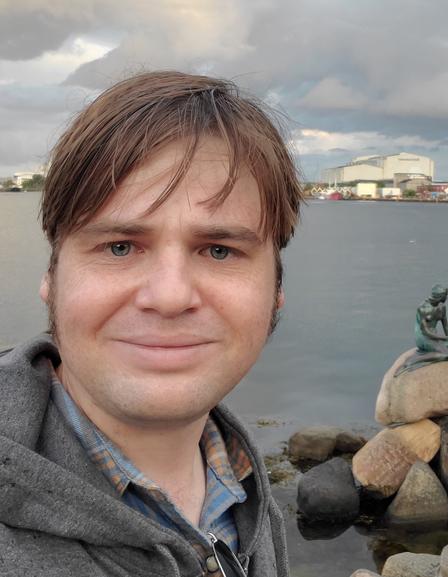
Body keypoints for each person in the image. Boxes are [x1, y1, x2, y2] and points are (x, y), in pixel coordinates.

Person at [0, 71, 303, 577]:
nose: (169, 296)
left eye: (219, 250)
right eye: (120, 247)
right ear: (52, 278)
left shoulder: (242, 492)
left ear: (275, 293)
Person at [395, 284, 448, 375]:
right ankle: (412, 361)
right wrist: (443, 338)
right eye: (445, 296)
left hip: (435, 337)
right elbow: (426, 331)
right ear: (440, 296)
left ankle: (435, 353)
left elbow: (446, 326)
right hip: (423, 337)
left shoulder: (442, 307)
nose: (447, 298)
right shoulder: (423, 308)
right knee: (447, 355)